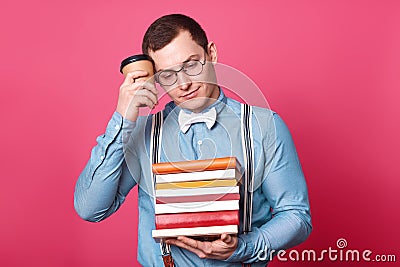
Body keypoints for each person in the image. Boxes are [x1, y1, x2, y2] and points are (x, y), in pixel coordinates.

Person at [74, 14, 312, 267]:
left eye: (192, 65)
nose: (184, 84)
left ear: (211, 54)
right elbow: (91, 208)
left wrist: (244, 248)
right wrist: (123, 118)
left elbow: (296, 216)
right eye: (167, 75)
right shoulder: (142, 133)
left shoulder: (264, 126)